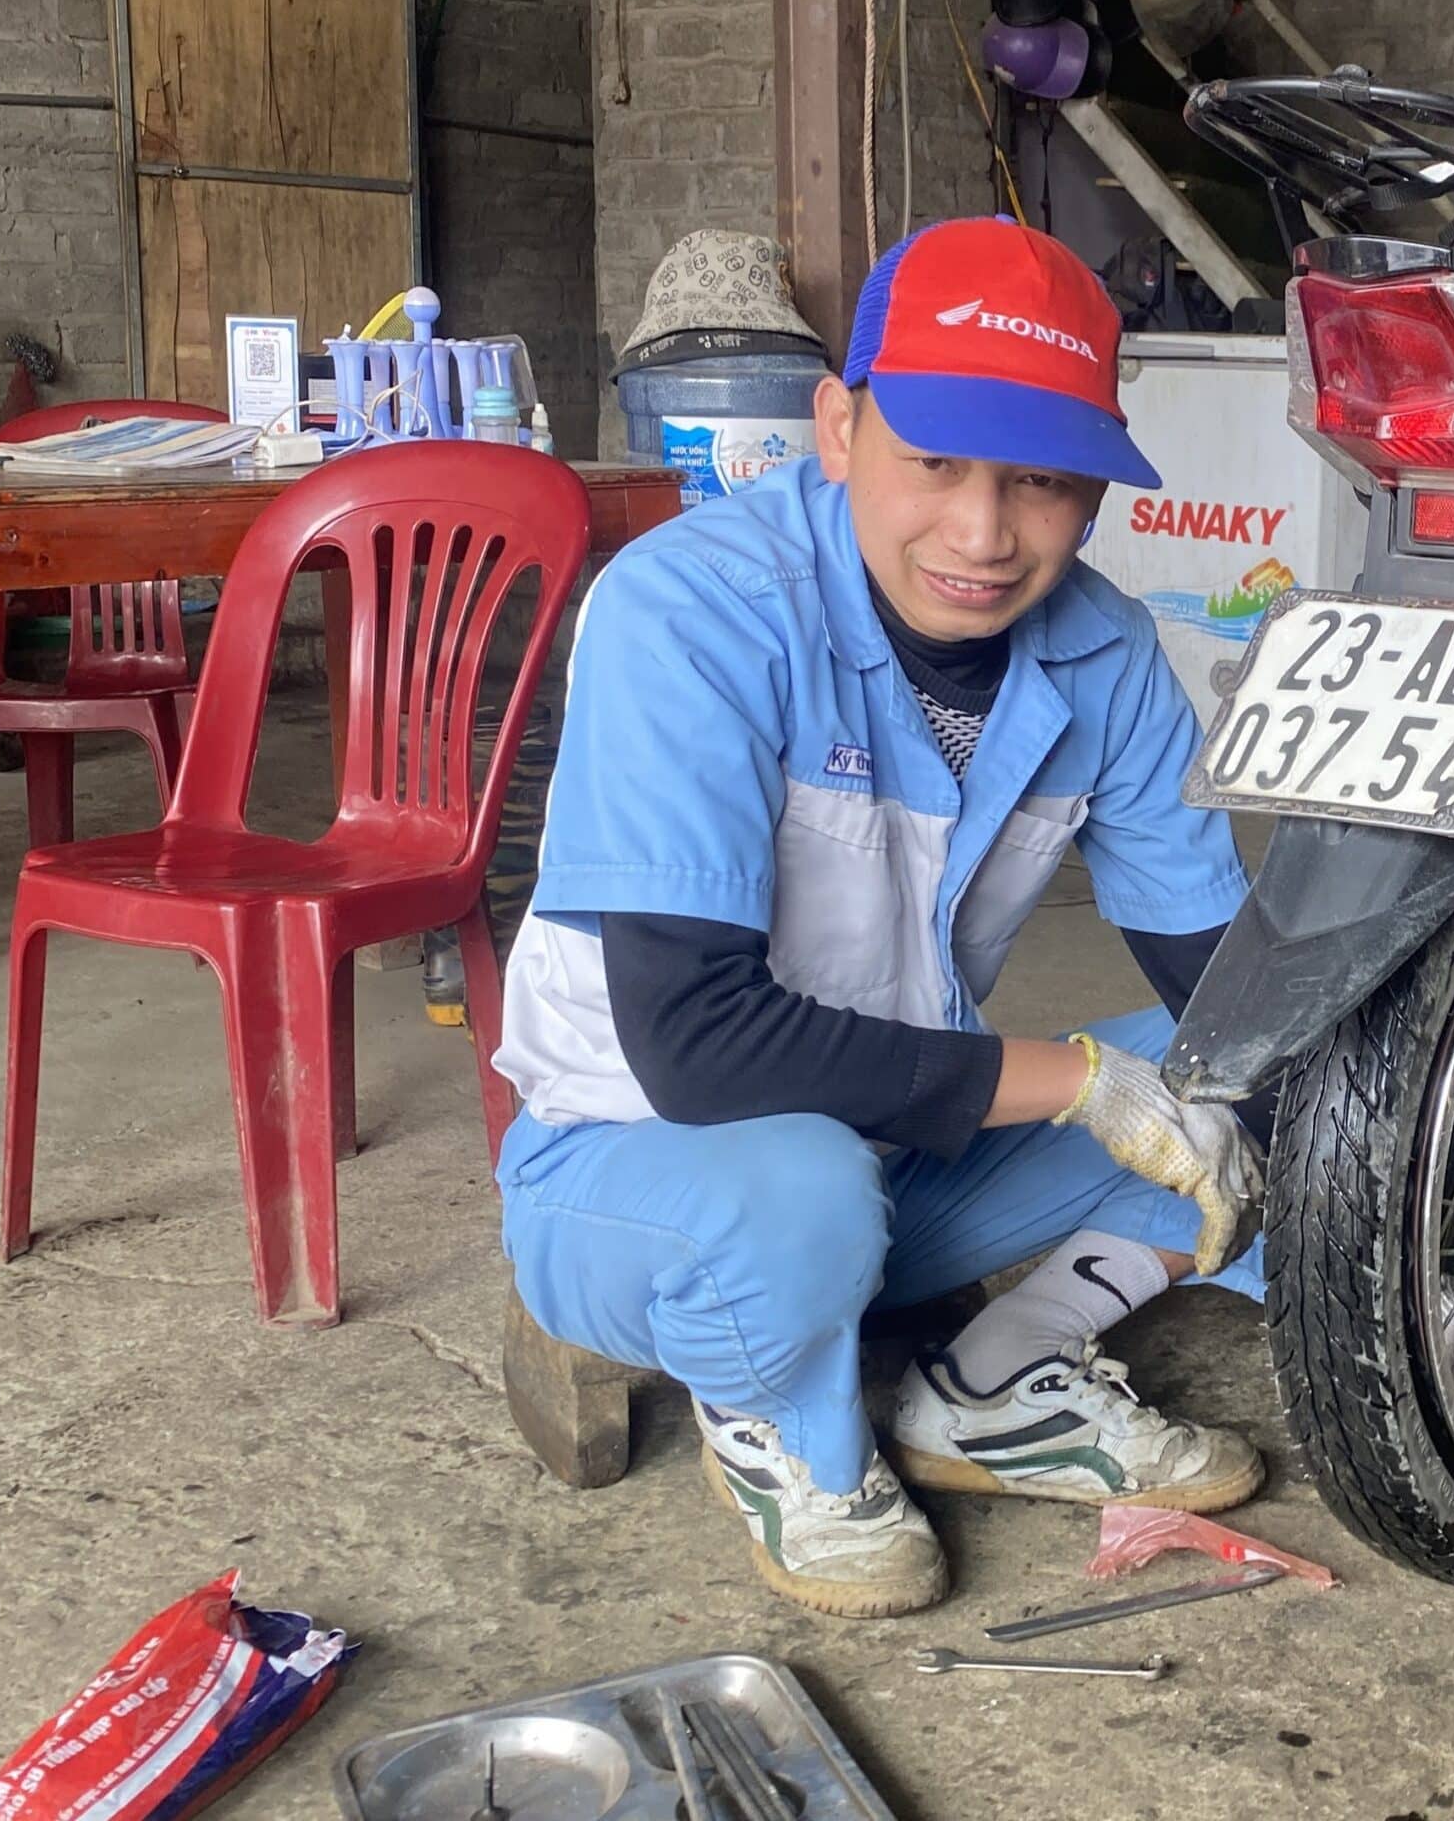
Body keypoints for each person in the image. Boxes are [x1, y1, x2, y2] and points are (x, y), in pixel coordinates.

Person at [492, 218, 1267, 1617]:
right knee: (800, 1189)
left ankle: (991, 1382)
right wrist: (1080, 1085)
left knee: (1247, 1068)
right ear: (839, 429)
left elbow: (1224, 977)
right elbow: (698, 1048)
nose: (983, 535)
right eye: (935, 464)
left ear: (1096, 488)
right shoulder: (692, 612)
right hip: (645, 1165)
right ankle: (788, 1433)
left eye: (1042, 481)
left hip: (899, 1153)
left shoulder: (1104, 651)